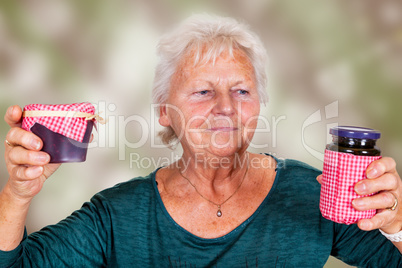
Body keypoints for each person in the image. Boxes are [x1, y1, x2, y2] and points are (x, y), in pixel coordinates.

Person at [1, 14, 401, 267]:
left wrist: (397, 223)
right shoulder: (116, 216)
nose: (225, 107)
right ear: (163, 110)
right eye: (203, 92)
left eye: (241, 91)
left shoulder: (312, 195)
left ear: (259, 105)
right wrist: (17, 195)